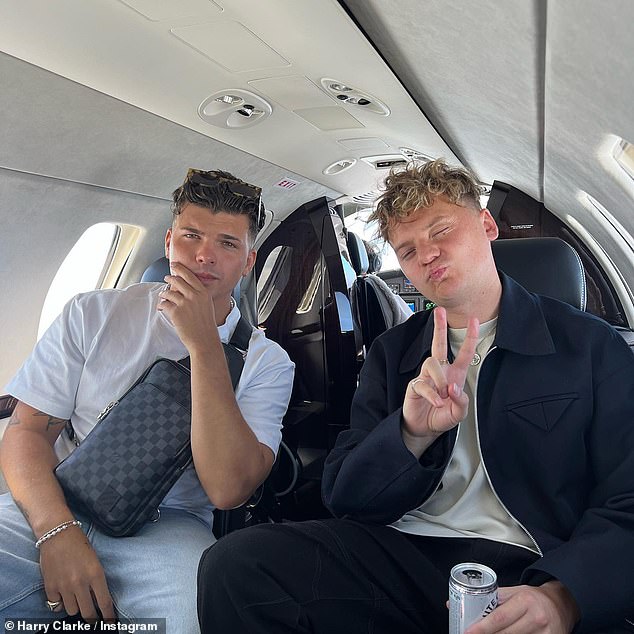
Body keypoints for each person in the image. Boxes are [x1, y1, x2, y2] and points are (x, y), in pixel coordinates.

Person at [197, 159, 634, 633]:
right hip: (403, 554)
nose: (426, 255)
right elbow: (345, 496)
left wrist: (563, 595)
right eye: (407, 250)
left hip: (529, 564)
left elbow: (627, 500)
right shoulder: (393, 353)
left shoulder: (589, 346)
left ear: (486, 225)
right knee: (235, 564)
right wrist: (409, 434)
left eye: (441, 230)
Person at [0, 169, 294, 631]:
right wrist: (56, 532)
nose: (204, 256)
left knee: (196, 619)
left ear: (249, 261)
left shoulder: (268, 363)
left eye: (227, 244)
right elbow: (27, 430)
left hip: (169, 526)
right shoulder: (91, 312)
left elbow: (227, 489)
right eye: (191, 236)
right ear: (168, 242)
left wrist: (203, 346)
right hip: (58, 496)